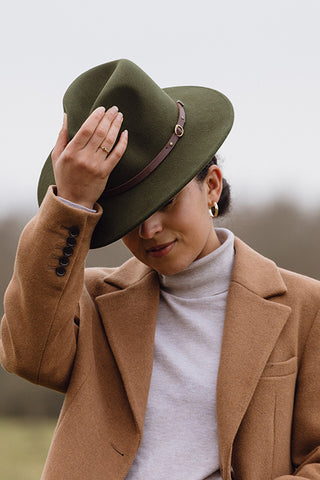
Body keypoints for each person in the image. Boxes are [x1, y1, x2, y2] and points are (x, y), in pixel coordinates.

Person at [1, 59, 320, 480]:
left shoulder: (306, 308)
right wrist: (72, 204)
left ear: (211, 186)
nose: (149, 229)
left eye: (166, 201)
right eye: (130, 215)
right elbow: (29, 356)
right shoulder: (94, 302)